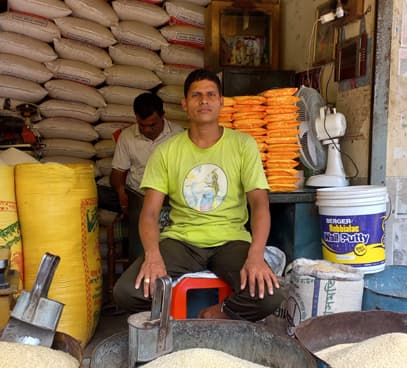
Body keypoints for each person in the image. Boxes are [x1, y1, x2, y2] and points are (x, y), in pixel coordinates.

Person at [113, 69, 283, 321]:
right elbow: (149, 212)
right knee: (126, 292)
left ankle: (217, 313)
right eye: (196, 95)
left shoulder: (242, 145)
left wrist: (256, 255)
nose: (204, 100)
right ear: (184, 104)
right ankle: (172, 321)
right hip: (182, 241)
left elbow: (259, 203)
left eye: (211, 94)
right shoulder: (167, 151)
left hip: (230, 240)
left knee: (270, 295)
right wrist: (153, 255)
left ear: (221, 101)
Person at [109, 92, 184, 216]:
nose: (147, 130)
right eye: (142, 125)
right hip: (137, 197)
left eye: (152, 125)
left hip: (169, 199)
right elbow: (117, 172)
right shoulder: (127, 136)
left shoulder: (178, 135)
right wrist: (121, 192)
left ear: (163, 116)